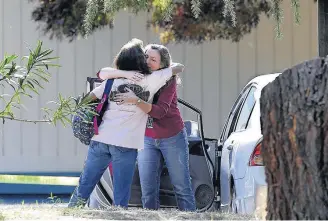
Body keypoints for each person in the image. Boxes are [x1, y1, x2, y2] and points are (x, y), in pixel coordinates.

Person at [68, 39, 184, 208]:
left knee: (84, 186)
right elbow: (178, 68)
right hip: (125, 144)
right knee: (121, 196)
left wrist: (122, 74)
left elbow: (89, 97)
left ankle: (70, 212)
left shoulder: (111, 81)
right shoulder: (152, 79)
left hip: (101, 139)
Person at [108, 44, 196, 211]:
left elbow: (159, 112)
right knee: (147, 190)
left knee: (182, 187)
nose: (147, 61)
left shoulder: (168, 81)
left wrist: (135, 100)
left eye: (153, 59)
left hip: (172, 136)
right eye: (146, 56)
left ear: (162, 65)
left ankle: (190, 216)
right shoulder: (136, 75)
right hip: (146, 138)